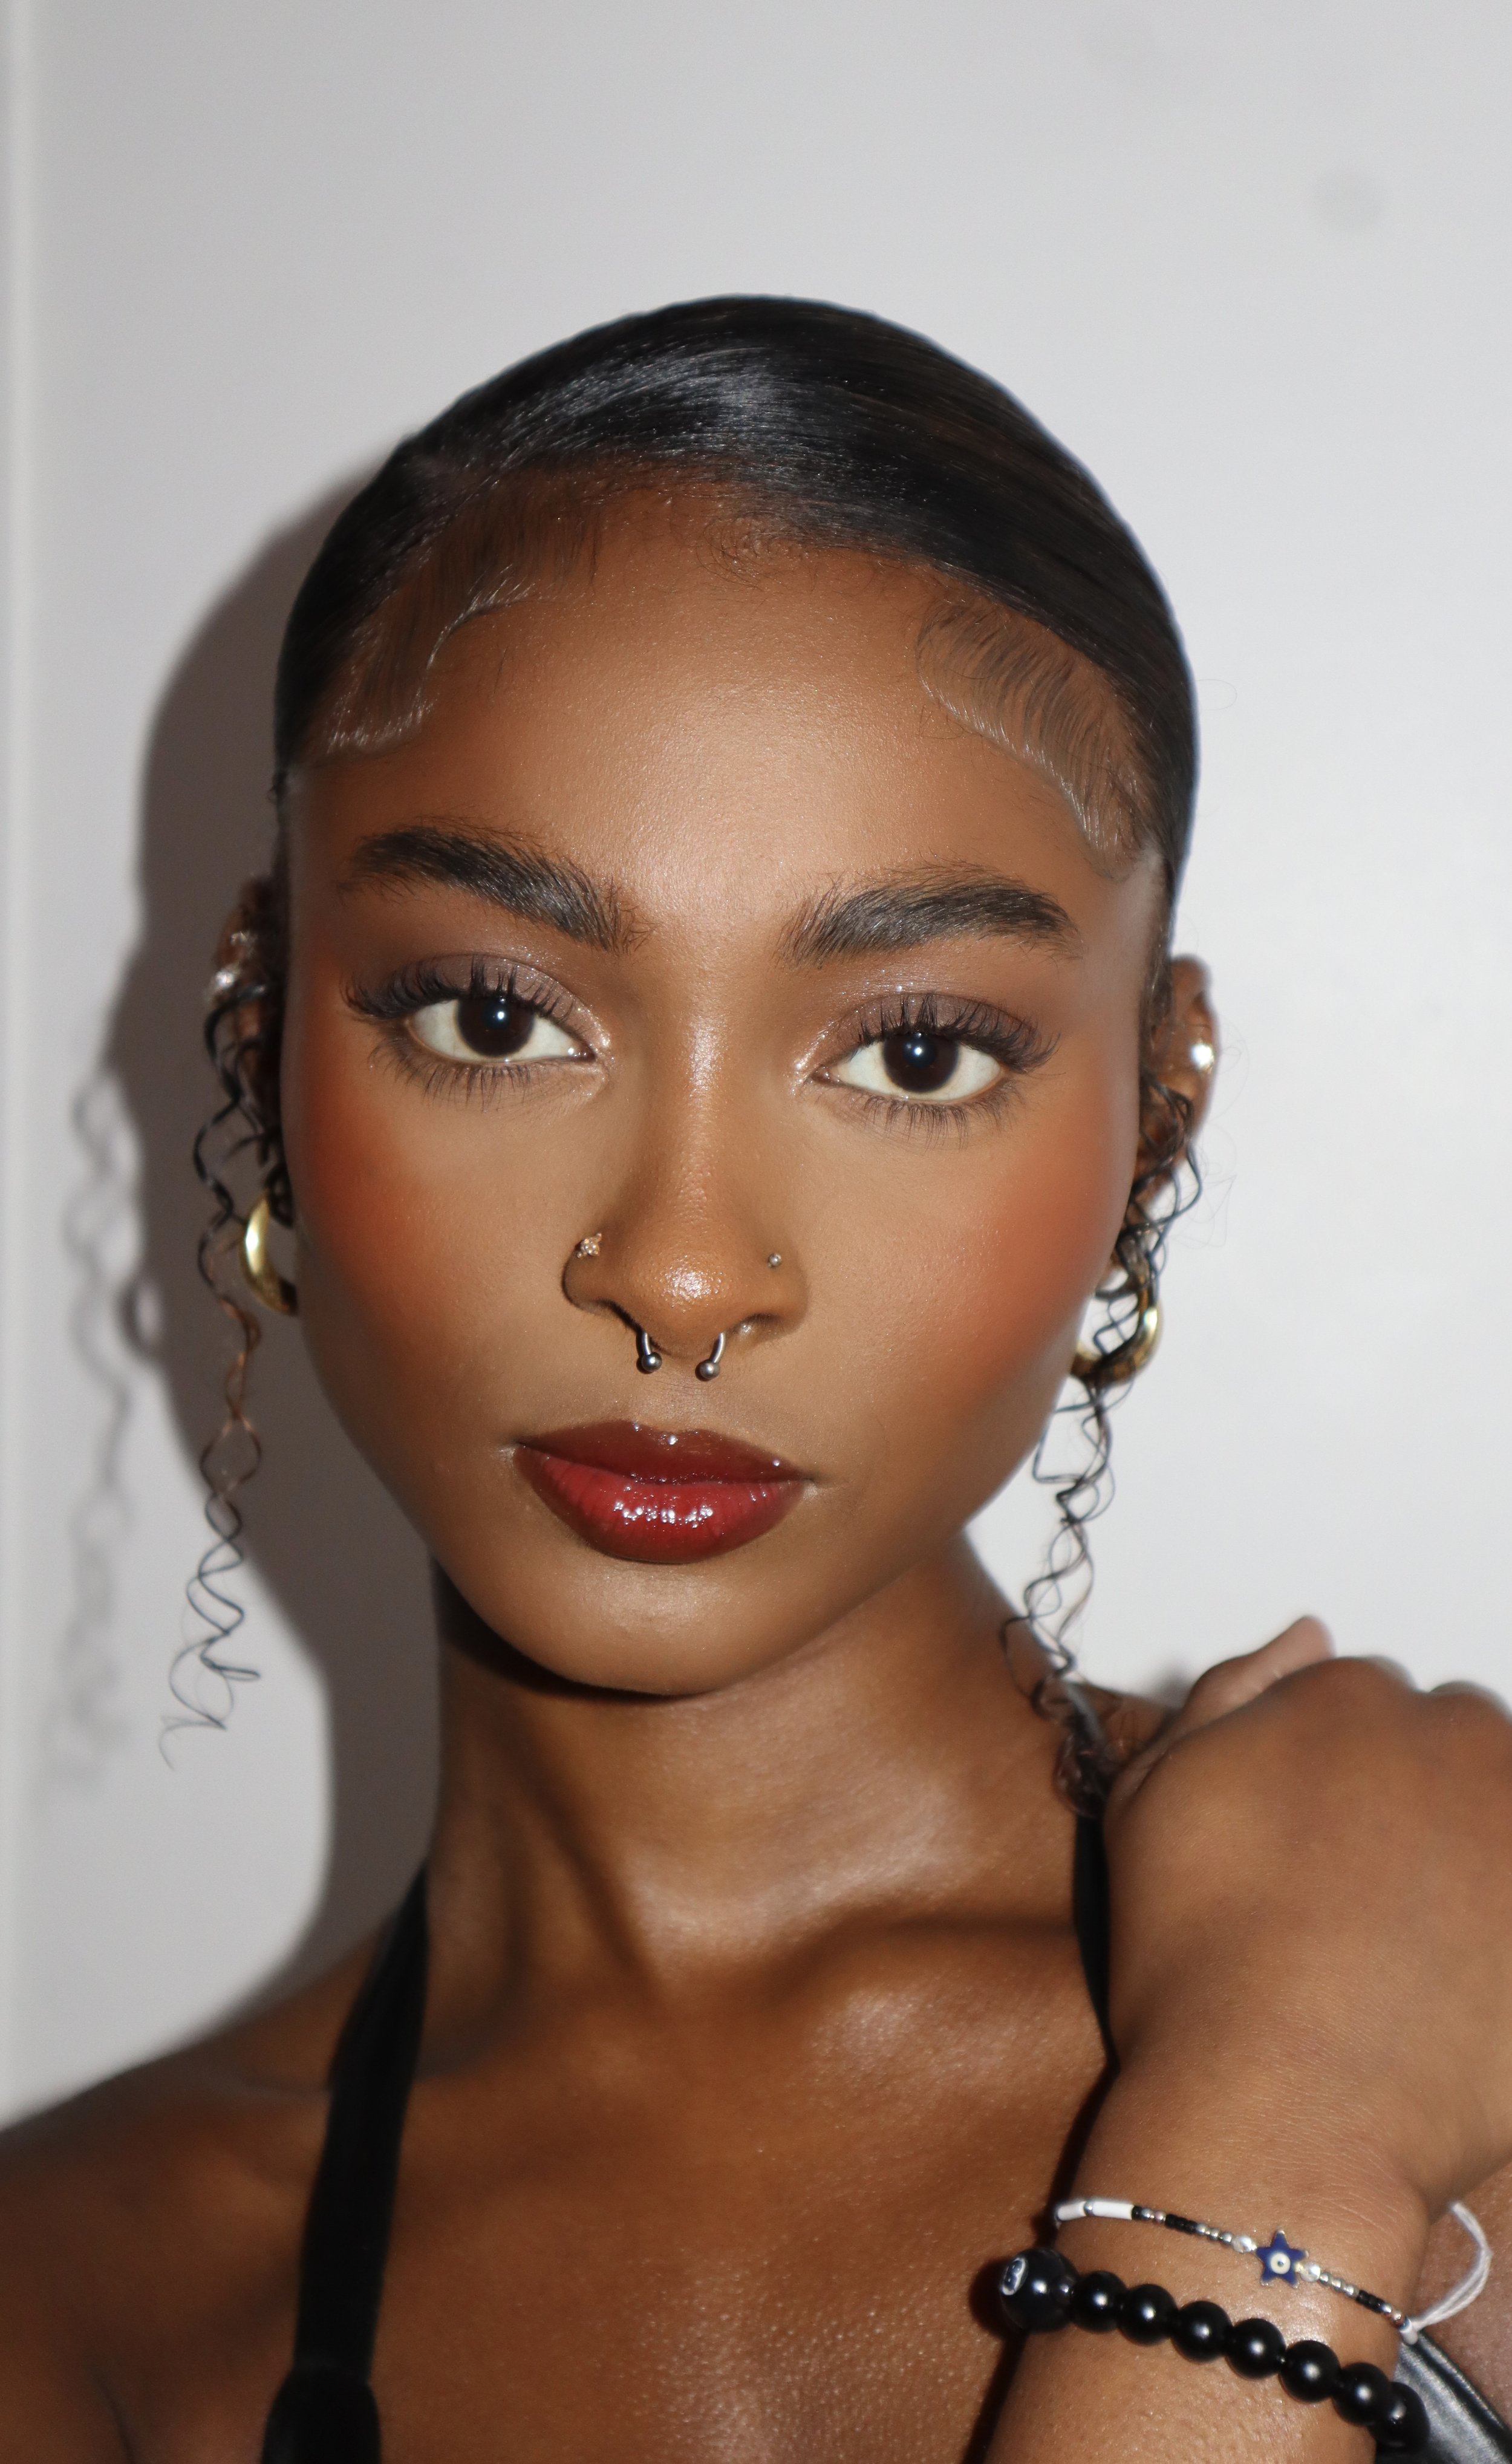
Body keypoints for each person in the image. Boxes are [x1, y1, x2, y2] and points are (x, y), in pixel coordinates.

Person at [2, 296, 1512, 2464]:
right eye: (497, 1017)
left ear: (1155, 1103)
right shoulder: (77, 2301)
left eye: (914, 1051)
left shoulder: (1479, 2011)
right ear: (263, 1022)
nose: (682, 1269)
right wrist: (1275, 2155)